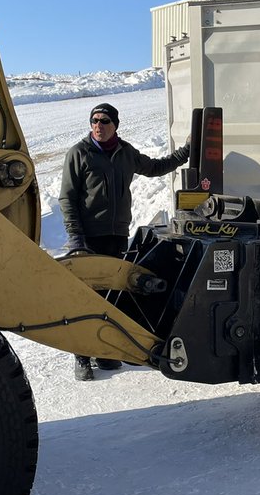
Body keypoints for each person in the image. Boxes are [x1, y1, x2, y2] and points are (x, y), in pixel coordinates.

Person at [59, 102, 190, 381]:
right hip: (88, 238)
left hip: (116, 235)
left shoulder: (125, 153)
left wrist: (185, 153)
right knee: (84, 297)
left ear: (115, 125)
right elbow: (67, 198)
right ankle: (81, 356)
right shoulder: (79, 153)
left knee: (111, 295)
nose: (98, 125)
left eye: (104, 121)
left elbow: (155, 167)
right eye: (94, 120)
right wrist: (75, 236)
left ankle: (103, 351)